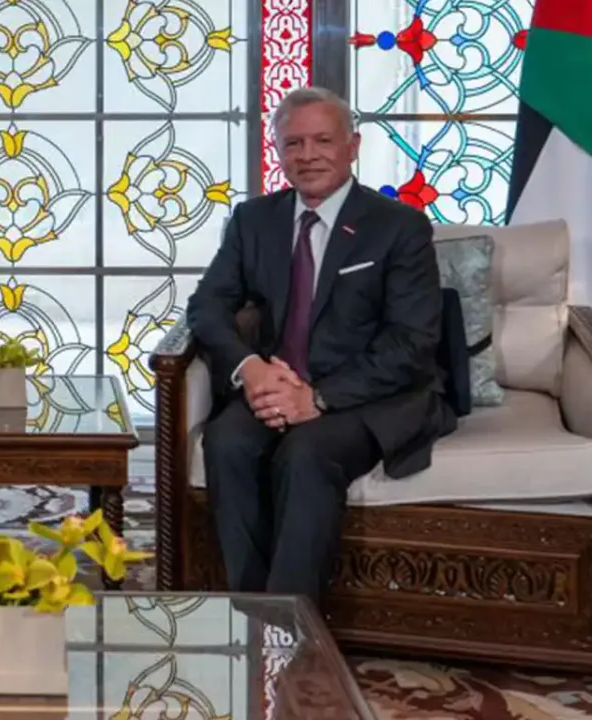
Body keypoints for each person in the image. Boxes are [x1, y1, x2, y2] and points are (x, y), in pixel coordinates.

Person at [185, 86, 455, 606]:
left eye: (323, 141)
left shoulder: (399, 227)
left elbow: (412, 343)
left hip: (367, 394)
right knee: (227, 442)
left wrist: (317, 399)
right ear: (279, 151)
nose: (307, 155)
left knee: (306, 454)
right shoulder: (253, 221)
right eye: (294, 144)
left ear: (353, 146)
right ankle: (253, 613)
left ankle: (290, 630)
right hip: (277, 382)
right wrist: (250, 368)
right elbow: (207, 307)